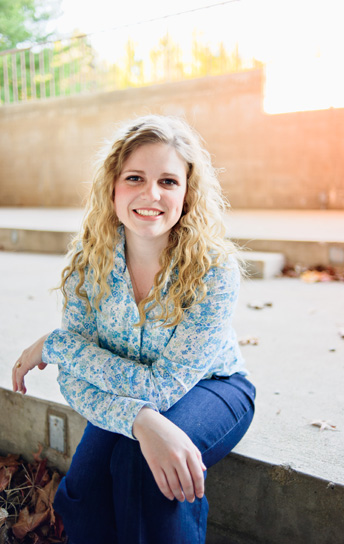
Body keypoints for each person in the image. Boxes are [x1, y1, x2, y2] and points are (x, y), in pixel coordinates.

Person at [11, 115, 255, 544]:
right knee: (83, 490)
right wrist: (140, 420)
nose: (151, 194)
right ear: (113, 187)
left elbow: (161, 387)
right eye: (135, 178)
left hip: (212, 386)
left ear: (187, 192)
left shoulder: (214, 270)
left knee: (142, 466)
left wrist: (57, 345)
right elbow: (73, 380)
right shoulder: (87, 266)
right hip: (125, 392)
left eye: (168, 181)